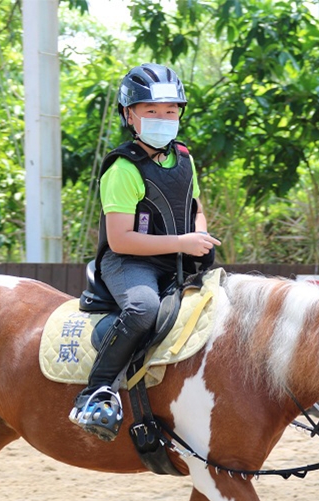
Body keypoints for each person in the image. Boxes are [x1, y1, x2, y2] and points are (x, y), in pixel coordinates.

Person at [68, 63, 221, 442]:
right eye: (151, 111)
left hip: (177, 257)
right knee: (143, 309)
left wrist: (199, 236)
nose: (163, 118)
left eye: (171, 111)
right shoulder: (122, 168)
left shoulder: (184, 157)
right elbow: (120, 239)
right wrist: (182, 243)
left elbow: (195, 207)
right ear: (129, 115)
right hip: (128, 263)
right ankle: (96, 391)